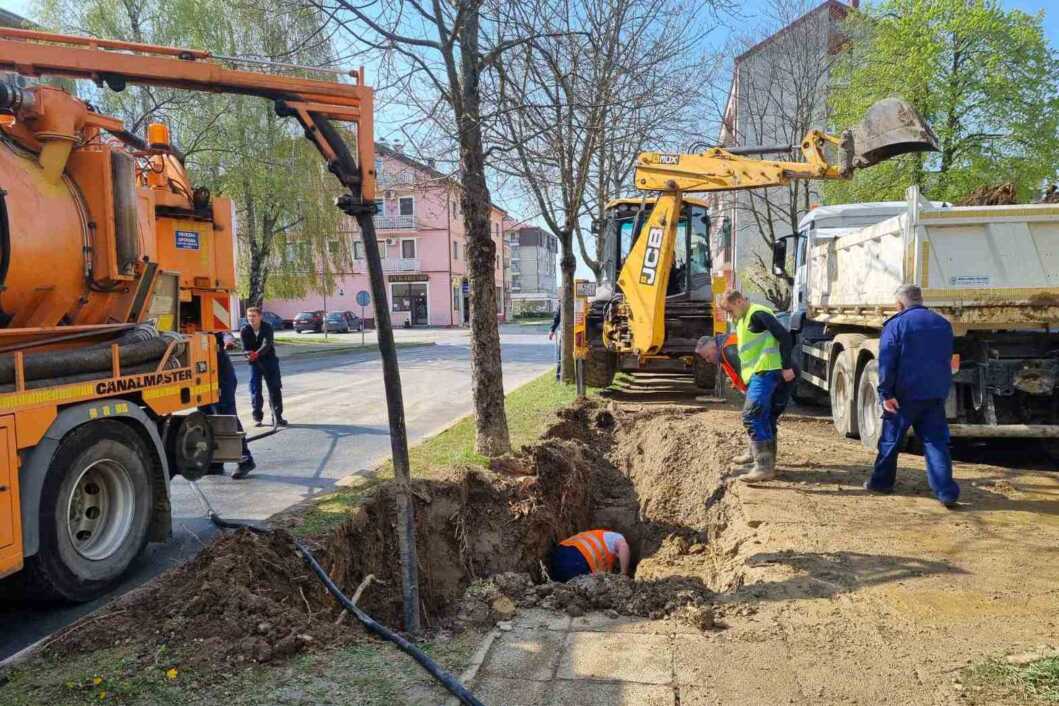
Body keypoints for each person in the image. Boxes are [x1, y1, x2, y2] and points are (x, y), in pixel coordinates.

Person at [864, 284, 960, 507]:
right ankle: (946, 493)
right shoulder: (942, 323)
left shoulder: (896, 325)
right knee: (936, 443)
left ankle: (881, 483)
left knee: (890, 441)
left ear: (899, 304)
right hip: (934, 395)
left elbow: (887, 363)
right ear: (920, 299)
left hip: (903, 396)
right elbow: (945, 359)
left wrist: (885, 393)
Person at [718, 290, 796, 482]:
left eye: (730, 310)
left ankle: (763, 466)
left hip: (767, 370)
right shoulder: (744, 318)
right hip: (758, 372)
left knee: (751, 414)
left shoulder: (757, 313)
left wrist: (786, 366)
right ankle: (763, 462)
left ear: (738, 301)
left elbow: (785, 337)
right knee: (764, 415)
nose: (730, 316)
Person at [202, 332, 256, 479]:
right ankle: (216, 461)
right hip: (202, 375)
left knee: (227, 417)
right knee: (205, 416)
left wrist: (228, 341)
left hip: (221, 376)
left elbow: (226, 334)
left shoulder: (211, 324)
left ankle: (245, 459)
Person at [241, 307, 287, 427]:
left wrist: (257, 353)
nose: (251, 318)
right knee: (255, 390)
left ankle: (277, 417)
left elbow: (267, 344)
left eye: (254, 316)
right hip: (254, 363)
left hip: (269, 361)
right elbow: (245, 347)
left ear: (260, 316)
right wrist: (248, 354)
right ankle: (257, 417)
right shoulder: (245, 330)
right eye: (249, 316)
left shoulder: (267, 327)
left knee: (275, 388)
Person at [550, 529, 630, 582]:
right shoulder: (615, 536)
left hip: (558, 554)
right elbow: (623, 546)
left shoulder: (596, 535)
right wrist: (623, 574)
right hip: (578, 558)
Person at [548, 307, 562, 381]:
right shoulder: (562, 302)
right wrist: (552, 330)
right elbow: (557, 318)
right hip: (566, 334)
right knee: (562, 355)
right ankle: (559, 376)